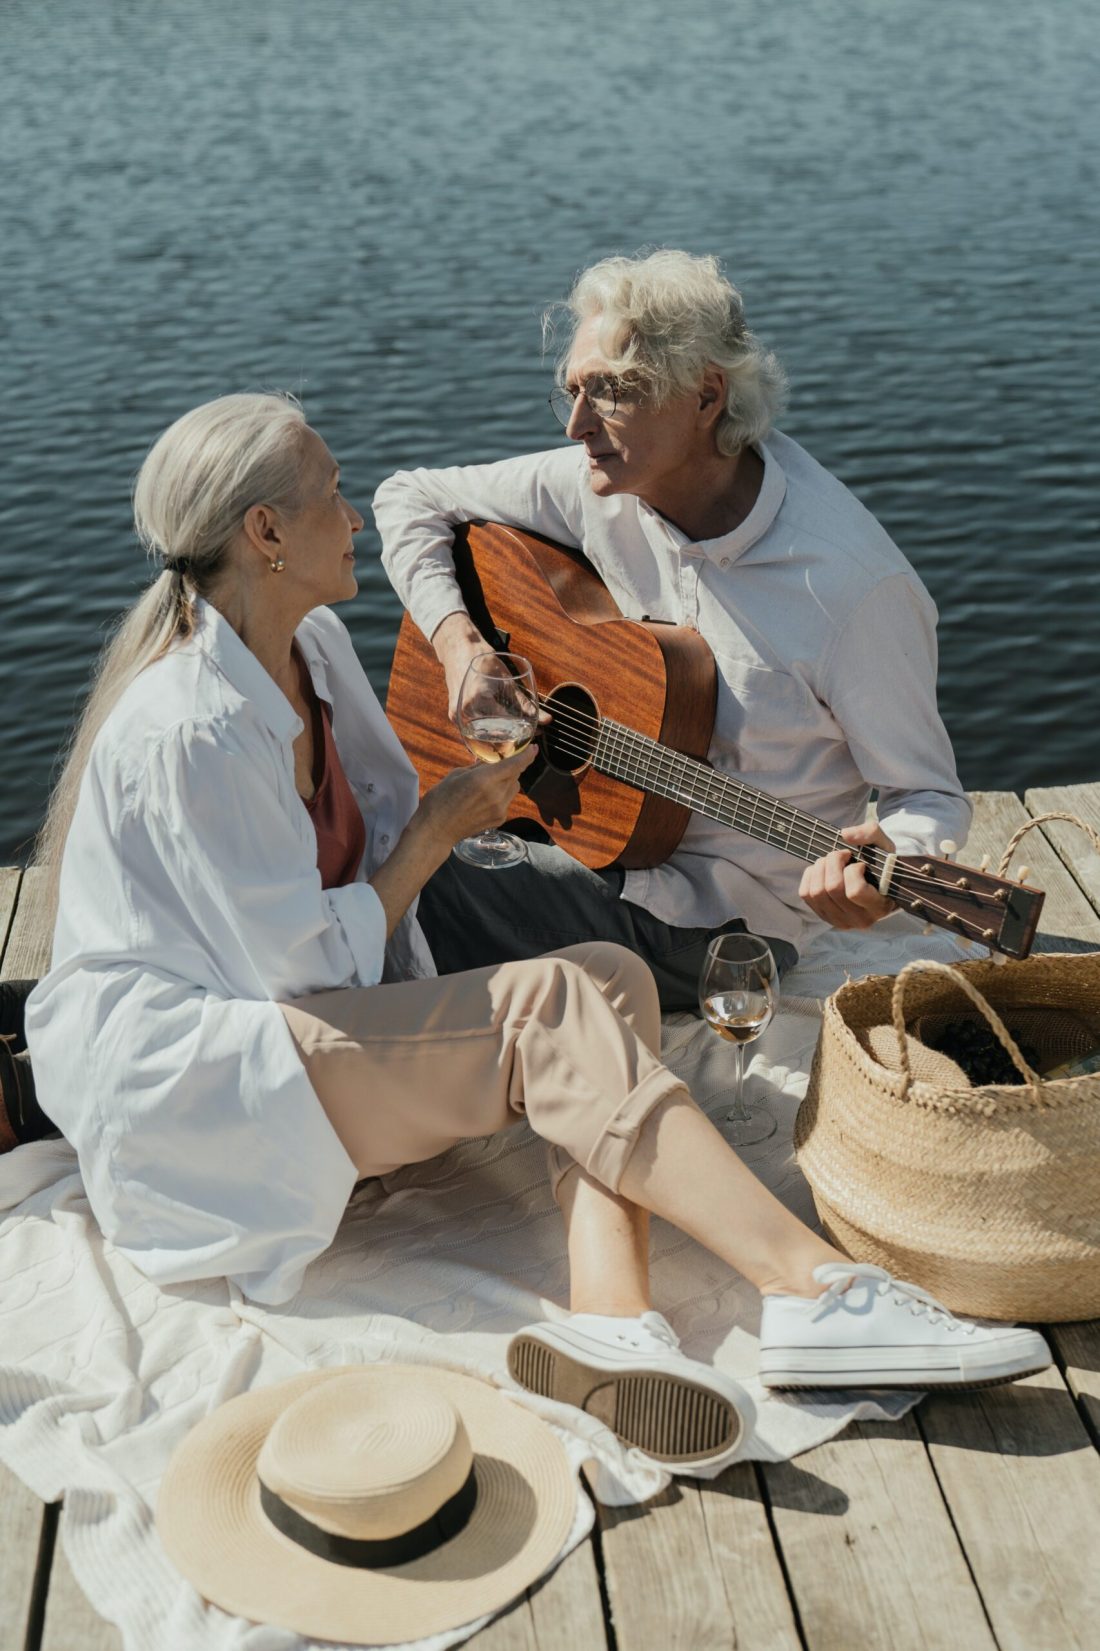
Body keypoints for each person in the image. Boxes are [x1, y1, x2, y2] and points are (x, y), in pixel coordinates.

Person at [22, 394, 1047, 1480]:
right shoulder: (187, 728)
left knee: (601, 973)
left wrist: (486, 750)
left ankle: (608, 1317)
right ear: (263, 535)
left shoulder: (310, 646)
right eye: (329, 494)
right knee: (549, 1005)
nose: (354, 517)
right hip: (204, 1079)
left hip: (296, 1023)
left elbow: (363, 848)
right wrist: (435, 832)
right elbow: (307, 960)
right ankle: (810, 1288)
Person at [374, 249, 973, 1008]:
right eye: (573, 391)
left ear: (706, 395)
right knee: (384, 827)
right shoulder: (604, 481)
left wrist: (891, 867)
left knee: (420, 880)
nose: (576, 425)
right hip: (594, 836)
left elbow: (928, 797)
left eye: (611, 394)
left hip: (723, 917)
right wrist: (461, 646)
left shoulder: (853, 591)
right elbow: (407, 498)